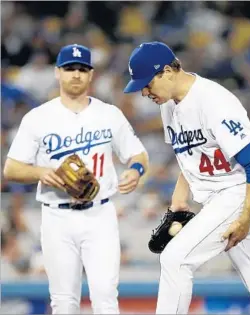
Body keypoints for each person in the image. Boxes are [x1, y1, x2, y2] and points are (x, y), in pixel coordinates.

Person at [124, 41, 250, 314]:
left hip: (238, 195)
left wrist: (244, 218)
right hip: (219, 200)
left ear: (169, 72)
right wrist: (179, 197)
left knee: (175, 260)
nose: (145, 92)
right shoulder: (168, 105)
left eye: (147, 84)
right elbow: (189, 154)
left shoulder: (213, 101)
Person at [3, 44, 149, 314]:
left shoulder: (109, 114)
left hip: (100, 213)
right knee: (63, 300)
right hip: (57, 216)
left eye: (83, 69)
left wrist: (135, 170)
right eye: (70, 68)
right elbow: (11, 169)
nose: (76, 74)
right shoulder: (38, 118)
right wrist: (41, 172)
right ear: (58, 73)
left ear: (91, 75)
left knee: (105, 297)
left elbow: (138, 154)